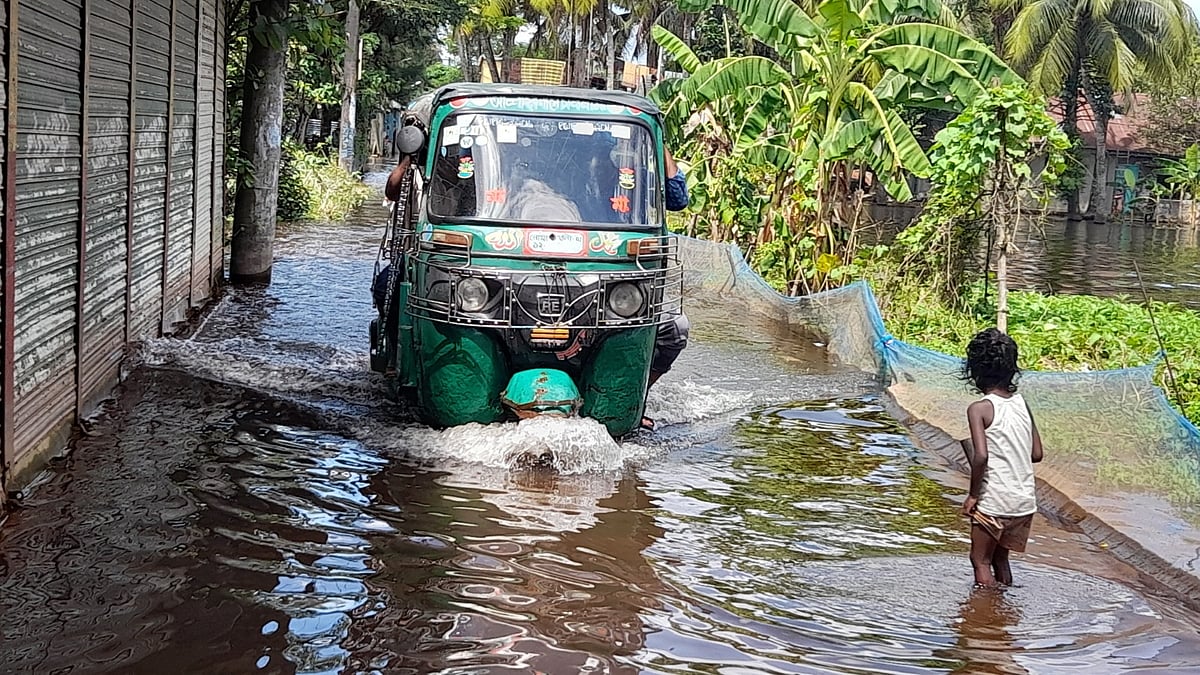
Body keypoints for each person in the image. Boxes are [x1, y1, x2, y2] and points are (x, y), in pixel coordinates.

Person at [960, 328, 1044, 588]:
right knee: (1000, 560)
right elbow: (1037, 454)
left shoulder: (979, 409)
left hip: (994, 501)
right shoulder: (1021, 403)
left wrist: (973, 495)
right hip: (1022, 502)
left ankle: (986, 620)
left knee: (980, 560)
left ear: (975, 371)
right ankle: (1004, 607)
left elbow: (981, 456)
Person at [642, 148, 691, 431]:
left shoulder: (627, 157)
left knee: (674, 329)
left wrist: (657, 138)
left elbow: (677, 198)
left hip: (616, 281)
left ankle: (635, 397)